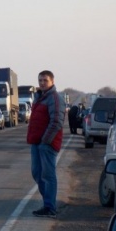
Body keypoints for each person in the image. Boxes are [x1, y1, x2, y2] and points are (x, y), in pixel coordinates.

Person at [27, 70, 66, 218]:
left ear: (52, 82)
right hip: (36, 143)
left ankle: (50, 207)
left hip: (47, 144)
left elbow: (56, 122)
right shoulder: (39, 97)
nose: (42, 83)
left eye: (45, 80)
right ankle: (46, 204)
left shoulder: (55, 98)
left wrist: (45, 141)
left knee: (48, 175)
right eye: (40, 80)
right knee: (37, 173)